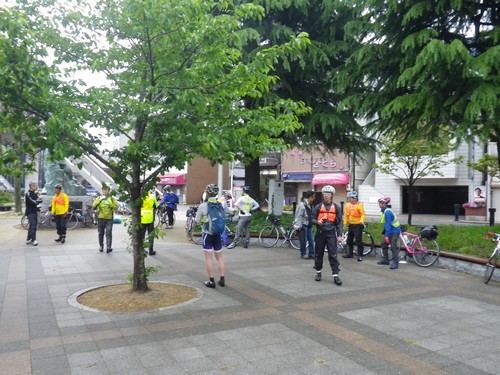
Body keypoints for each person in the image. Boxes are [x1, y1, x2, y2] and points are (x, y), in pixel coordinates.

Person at [195, 184, 226, 288]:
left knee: (209, 259)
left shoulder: (203, 206)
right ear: (216, 193)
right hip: (218, 234)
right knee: (219, 257)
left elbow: (197, 220)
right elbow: (228, 213)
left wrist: (204, 221)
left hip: (207, 234)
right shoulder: (220, 204)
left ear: (207, 193)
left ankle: (211, 281)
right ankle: (222, 279)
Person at [311, 185, 343, 286]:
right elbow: (311, 219)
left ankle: (336, 275)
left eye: (328, 194)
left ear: (332, 195)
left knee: (333, 255)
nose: (326, 196)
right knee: (318, 254)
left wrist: (339, 235)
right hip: (320, 233)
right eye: (324, 194)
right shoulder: (318, 206)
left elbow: (339, 223)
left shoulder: (336, 207)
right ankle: (318, 273)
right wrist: (317, 222)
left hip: (331, 234)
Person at [377, 197, 401, 270]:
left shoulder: (387, 212)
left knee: (393, 246)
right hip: (391, 230)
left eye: (380, 202)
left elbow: (388, 224)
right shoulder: (385, 210)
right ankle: (385, 260)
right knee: (383, 243)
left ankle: (395, 263)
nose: (379, 204)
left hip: (395, 230)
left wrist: (387, 235)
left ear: (384, 203)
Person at [92, 185, 118, 253]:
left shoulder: (112, 198)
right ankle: (101, 246)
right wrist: (100, 200)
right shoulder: (99, 197)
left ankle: (108, 247)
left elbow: (116, 207)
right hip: (101, 218)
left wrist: (110, 205)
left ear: (109, 191)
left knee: (108, 233)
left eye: (106, 190)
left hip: (109, 219)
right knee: (101, 233)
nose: (105, 191)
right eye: (103, 190)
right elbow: (93, 205)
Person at [342, 191, 366, 262]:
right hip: (351, 224)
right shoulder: (347, 205)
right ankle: (350, 253)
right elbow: (346, 215)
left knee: (358, 240)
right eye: (351, 198)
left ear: (356, 198)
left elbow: (363, 214)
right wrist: (345, 223)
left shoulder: (359, 205)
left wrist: (362, 221)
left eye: (354, 198)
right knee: (349, 240)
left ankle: (360, 255)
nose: (352, 199)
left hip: (358, 224)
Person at [294, 190, 315, 259]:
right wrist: (298, 225)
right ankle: (303, 254)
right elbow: (298, 216)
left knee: (311, 240)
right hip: (303, 225)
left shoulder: (311, 205)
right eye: (313, 197)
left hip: (309, 225)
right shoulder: (302, 205)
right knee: (303, 240)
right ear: (309, 197)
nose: (314, 199)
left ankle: (311, 254)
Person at [141, 189, 159, 255]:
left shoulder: (140, 196)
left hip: (142, 218)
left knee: (142, 235)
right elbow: (156, 206)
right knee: (151, 235)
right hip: (150, 218)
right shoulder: (152, 196)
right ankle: (151, 250)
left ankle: (141, 249)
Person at [25, 181, 42, 246]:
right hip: (30, 212)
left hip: (34, 211)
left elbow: (39, 199)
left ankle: (28, 239)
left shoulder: (34, 194)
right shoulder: (28, 193)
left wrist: (38, 201)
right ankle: (33, 239)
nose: (37, 187)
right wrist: (38, 202)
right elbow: (33, 202)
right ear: (33, 187)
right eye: (36, 186)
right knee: (33, 225)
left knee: (32, 226)